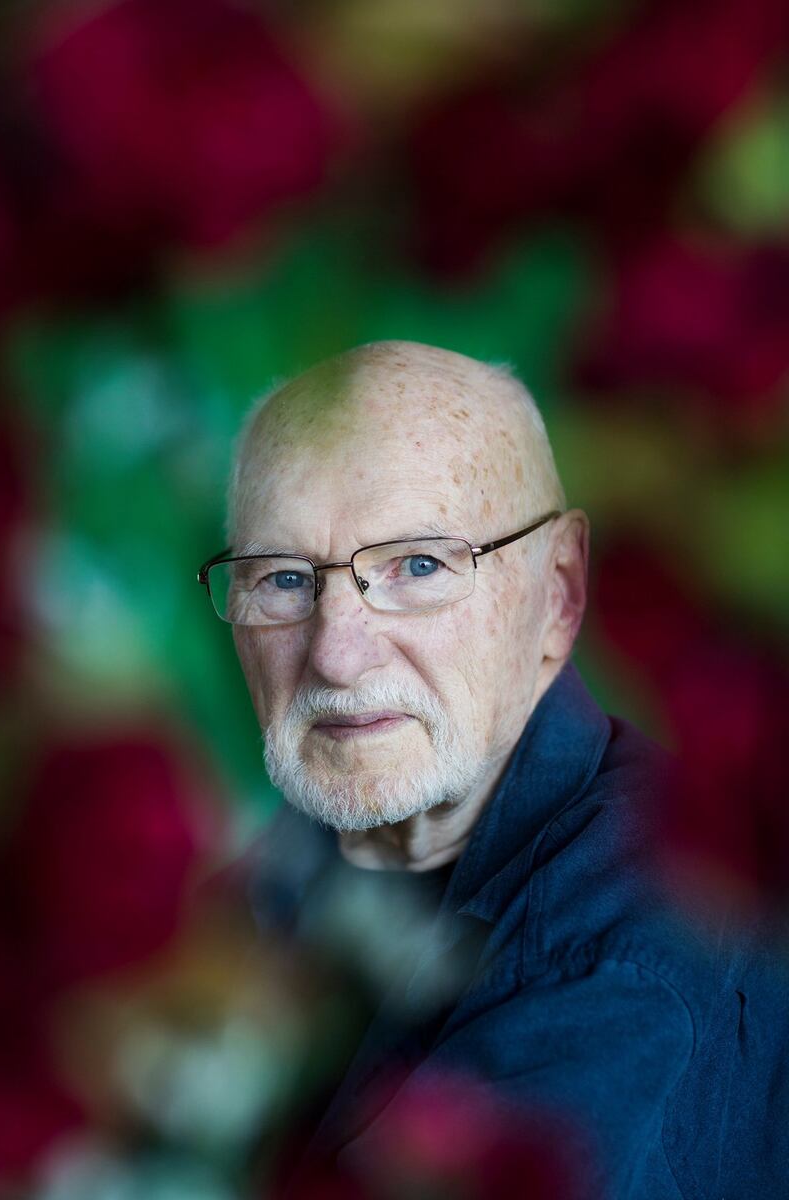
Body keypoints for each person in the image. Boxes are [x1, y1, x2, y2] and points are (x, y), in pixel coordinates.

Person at [198, 341, 788, 1199]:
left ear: (559, 590)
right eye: (283, 578)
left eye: (418, 566)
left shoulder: (613, 968)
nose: (335, 654)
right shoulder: (294, 862)